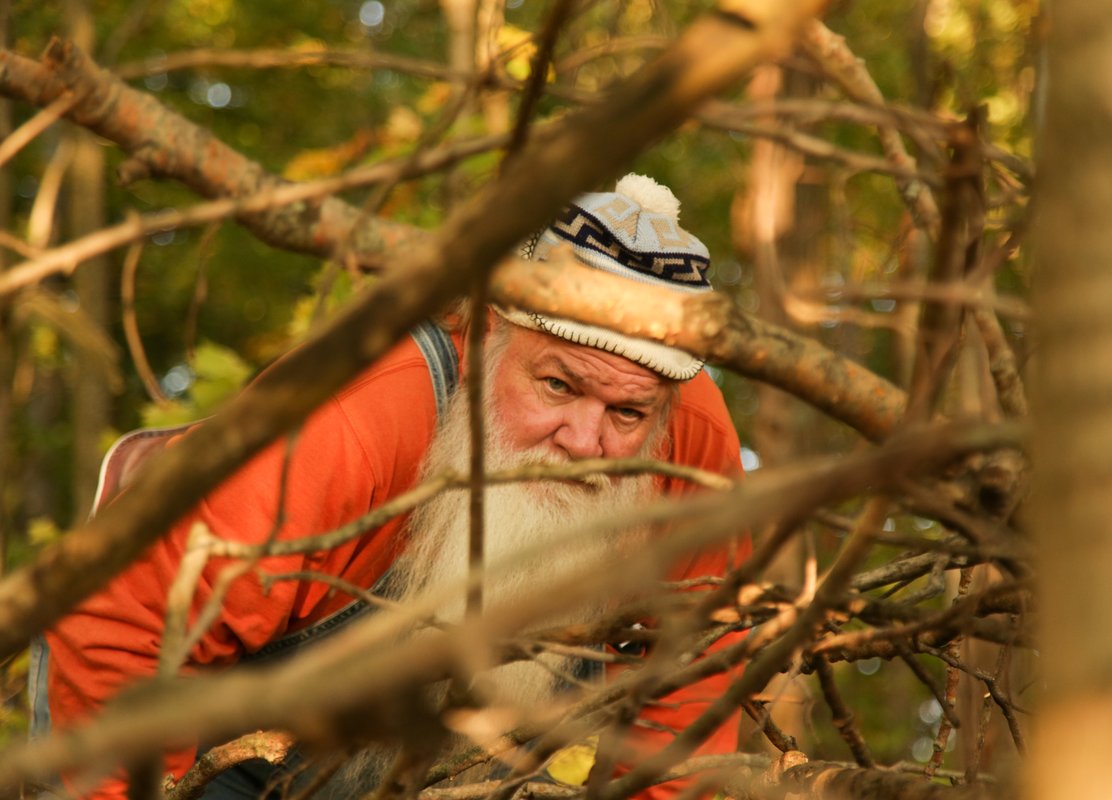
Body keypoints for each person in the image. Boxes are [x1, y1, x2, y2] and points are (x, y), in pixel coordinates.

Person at [33, 174, 749, 799]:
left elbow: (691, 672)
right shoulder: (353, 416)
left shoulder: (690, 438)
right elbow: (122, 630)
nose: (586, 444)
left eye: (627, 414)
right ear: (487, 329)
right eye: (558, 386)